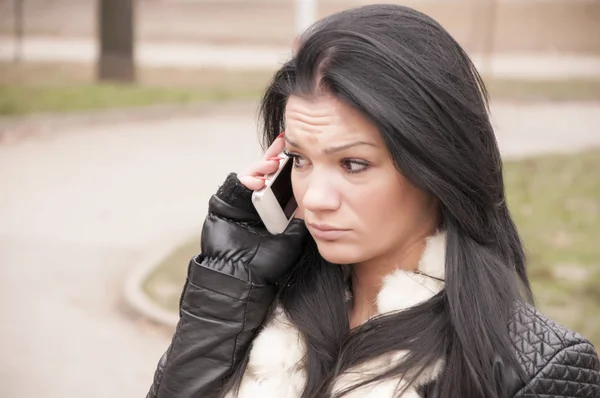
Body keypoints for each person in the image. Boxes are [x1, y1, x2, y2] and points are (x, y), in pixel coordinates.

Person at [146, 4, 599, 398]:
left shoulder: (531, 366)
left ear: (436, 164)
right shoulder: (258, 306)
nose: (316, 199)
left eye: (354, 165)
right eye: (299, 160)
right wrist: (232, 272)